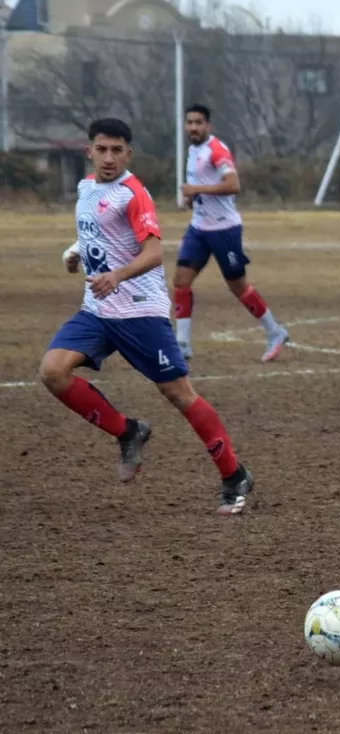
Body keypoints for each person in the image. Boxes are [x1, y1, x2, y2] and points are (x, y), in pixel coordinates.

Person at [41, 118, 254, 516]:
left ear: (128, 153)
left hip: (140, 311)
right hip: (98, 310)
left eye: (116, 150)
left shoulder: (133, 194)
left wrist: (116, 276)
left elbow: (154, 252)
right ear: (89, 151)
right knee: (53, 372)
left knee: (178, 394)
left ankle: (234, 475)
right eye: (101, 149)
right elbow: (97, 235)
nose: (108, 157)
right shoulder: (86, 188)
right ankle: (129, 431)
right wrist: (76, 252)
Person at [173, 104, 290, 361]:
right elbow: (201, 187)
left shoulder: (217, 150)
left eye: (198, 123)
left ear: (208, 126)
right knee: (181, 281)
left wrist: (196, 190)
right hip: (199, 228)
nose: (193, 127)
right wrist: (195, 199)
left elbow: (233, 184)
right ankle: (181, 343)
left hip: (224, 230)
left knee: (238, 287)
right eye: (189, 122)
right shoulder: (192, 150)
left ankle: (275, 331)